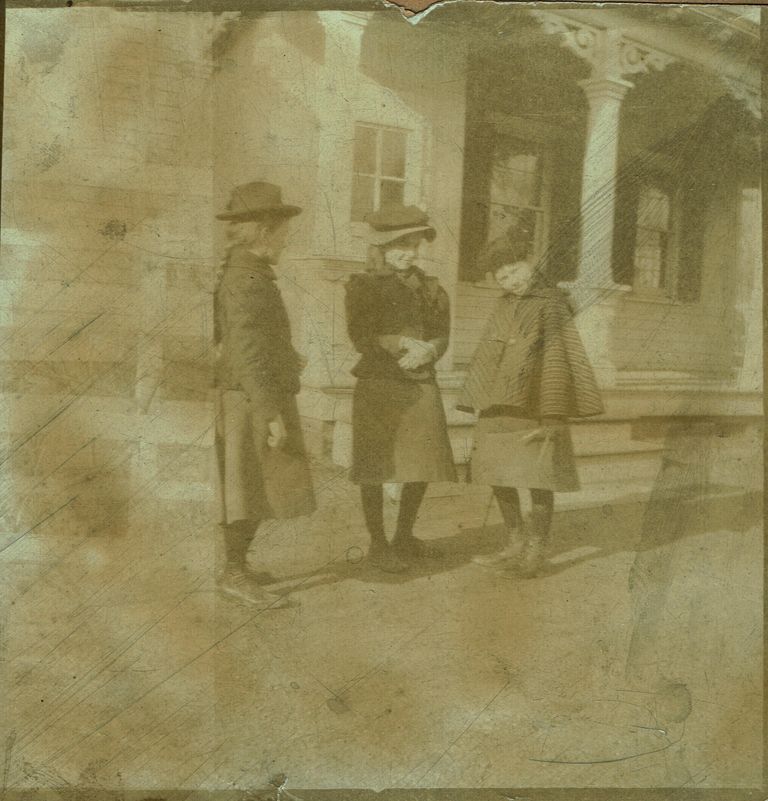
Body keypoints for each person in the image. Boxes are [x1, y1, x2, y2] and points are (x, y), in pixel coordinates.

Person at [457, 245, 604, 578]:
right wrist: (480, 394)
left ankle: (535, 551)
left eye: (515, 271)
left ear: (530, 264)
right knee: (496, 474)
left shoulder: (551, 304)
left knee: (539, 478)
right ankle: (514, 543)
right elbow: (488, 354)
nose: (512, 281)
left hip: (536, 405)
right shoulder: (504, 305)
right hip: (498, 405)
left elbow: (556, 357)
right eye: (503, 278)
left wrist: (552, 412)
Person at [213, 181, 316, 608]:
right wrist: (270, 412)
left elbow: (255, 340)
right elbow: (246, 349)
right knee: (249, 485)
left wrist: (287, 357)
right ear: (264, 232)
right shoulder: (246, 279)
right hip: (252, 398)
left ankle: (237, 565)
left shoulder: (250, 272)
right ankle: (234, 573)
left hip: (257, 392)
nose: (287, 240)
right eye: (283, 231)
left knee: (259, 483)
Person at [344, 203, 457, 573]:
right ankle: (378, 544)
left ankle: (403, 536)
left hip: (421, 382)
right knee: (375, 466)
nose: (409, 252)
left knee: (423, 462)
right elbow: (361, 337)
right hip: (379, 383)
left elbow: (441, 334)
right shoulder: (363, 286)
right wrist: (401, 343)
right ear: (381, 247)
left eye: (414, 244)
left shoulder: (432, 288)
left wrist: (430, 350)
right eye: (400, 245)